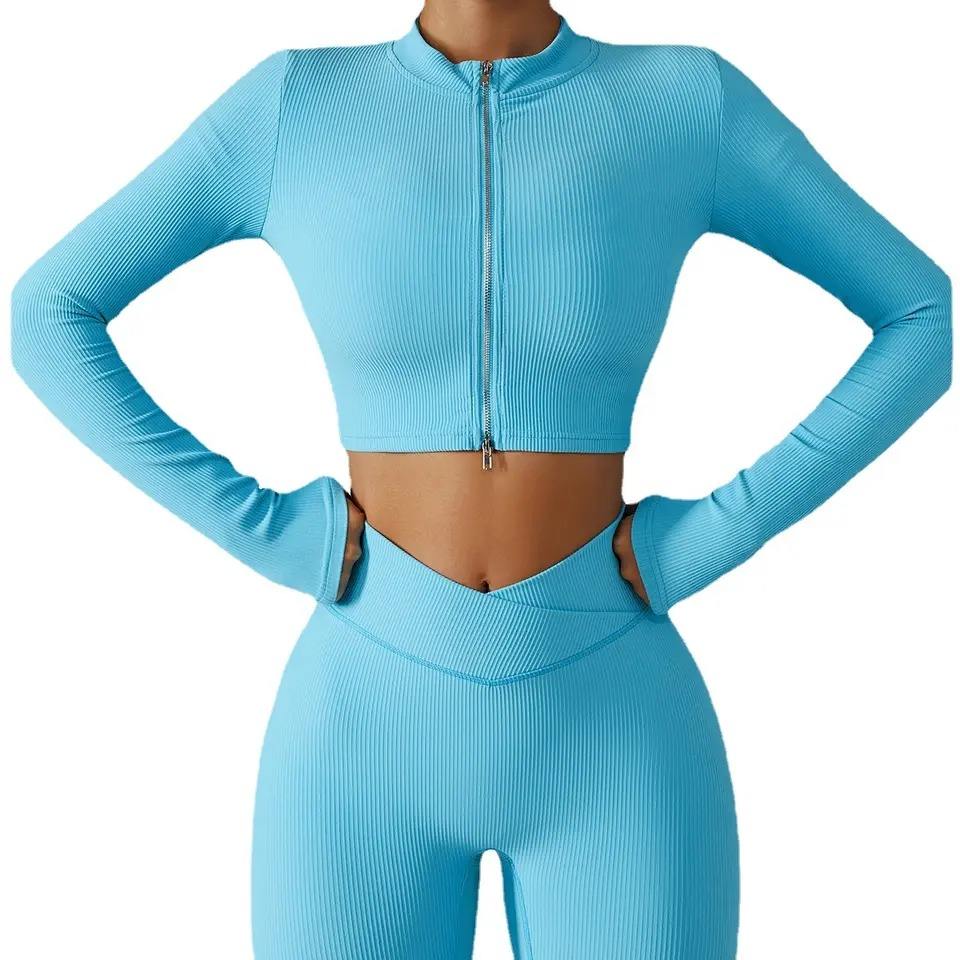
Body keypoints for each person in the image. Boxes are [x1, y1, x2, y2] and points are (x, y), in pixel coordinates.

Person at [10, 2, 952, 957]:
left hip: (615, 727)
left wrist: (719, 532)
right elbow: (51, 311)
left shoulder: (681, 101)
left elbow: (923, 315)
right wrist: (265, 531)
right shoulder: (296, 105)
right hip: (362, 728)